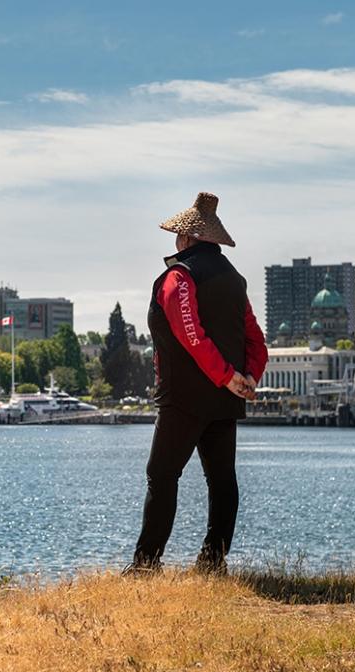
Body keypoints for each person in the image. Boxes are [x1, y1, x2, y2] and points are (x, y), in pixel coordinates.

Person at [126, 192, 268, 576]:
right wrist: (247, 377)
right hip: (225, 399)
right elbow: (256, 340)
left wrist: (227, 376)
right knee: (222, 480)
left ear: (186, 238)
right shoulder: (236, 280)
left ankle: (145, 565)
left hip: (184, 398)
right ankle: (212, 563)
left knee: (162, 475)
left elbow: (190, 334)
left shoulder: (179, 277)